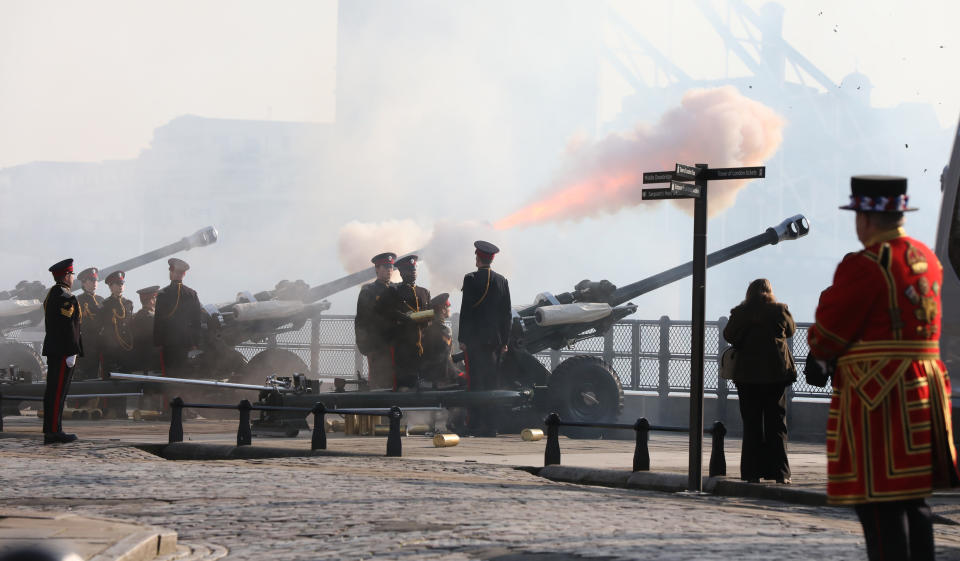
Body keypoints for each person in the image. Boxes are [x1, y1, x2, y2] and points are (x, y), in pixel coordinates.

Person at [808, 175, 959, 561]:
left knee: (878, 503)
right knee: (913, 500)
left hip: (879, 396)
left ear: (866, 219)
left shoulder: (866, 265)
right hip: (924, 389)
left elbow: (828, 331)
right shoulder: (928, 259)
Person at [722, 278, 796, 484]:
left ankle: (751, 473)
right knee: (777, 423)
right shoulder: (780, 310)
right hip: (775, 376)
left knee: (752, 424)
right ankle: (781, 473)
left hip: (747, 376)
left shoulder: (740, 313)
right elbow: (791, 330)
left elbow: (728, 334)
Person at [459, 241, 511, 435]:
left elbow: (466, 311)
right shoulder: (502, 281)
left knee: (475, 382)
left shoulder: (470, 279)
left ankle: (475, 423)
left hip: (474, 341)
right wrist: (504, 341)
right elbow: (506, 314)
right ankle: (492, 425)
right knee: (492, 383)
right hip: (495, 342)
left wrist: (462, 338)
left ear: (478, 258)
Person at [41, 259, 82, 444]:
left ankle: (53, 429)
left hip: (56, 350)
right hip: (63, 351)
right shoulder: (65, 297)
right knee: (58, 392)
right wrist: (73, 350)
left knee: (54, 392)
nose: (73, 277)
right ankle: (53, 432)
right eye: (72, 274)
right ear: (66, 275)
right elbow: (68, 327)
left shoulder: (53, 293)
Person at [153, 258, 203, 379]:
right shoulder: (191, 294)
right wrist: (195, 343)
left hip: (169, 344)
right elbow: (197, 322)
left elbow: (158, 321)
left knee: (170, 378)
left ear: (171, 272)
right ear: (184, 274)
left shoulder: (162, 294)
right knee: (186, 377)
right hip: (186, 343)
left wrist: (158, 343)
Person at [355, 252, 397, 389]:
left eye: (391, 267)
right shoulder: (369, 291)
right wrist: (366, 348)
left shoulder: (397, 289)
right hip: (378, 347)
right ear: (377, 269)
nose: (389, 270)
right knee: (379, 385)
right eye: (385, 267)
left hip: (397, 346)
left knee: (397, 382)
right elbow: (361, 321)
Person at [390, 255, 431, 389]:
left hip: (423, 347)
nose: (413, 272)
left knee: (424, 386)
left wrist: (411, 317)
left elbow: (430, 316)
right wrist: (418, 317)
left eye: (414, 269)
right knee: (405, 386)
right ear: (401, 272)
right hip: (404, 349)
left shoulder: (424, 292)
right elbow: (394, 316)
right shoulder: (395, 292)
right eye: (409, 270)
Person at [421, 292, 464, 388]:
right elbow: (444, 358)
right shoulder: (444, 330)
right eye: (448, 306)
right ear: (443, 309)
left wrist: (461, 356)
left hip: (429, 374)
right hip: (441, 376)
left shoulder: (429, 328)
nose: (449, 309)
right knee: (467, 379)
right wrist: (458, 374)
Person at [73, 267, 103, 380]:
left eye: (96, 280)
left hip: (99, 345)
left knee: (97, 377)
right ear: (84, 282)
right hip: (84, 345)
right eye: (91, 280)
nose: (95, 283)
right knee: (83, 379)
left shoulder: (101, 300)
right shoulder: (77, 300)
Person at [131, 285, 161, 373]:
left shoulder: (140, 315)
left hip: (145, 362)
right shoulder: (148, 317)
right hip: (150, 363)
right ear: (152, 300)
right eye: (156, 298)